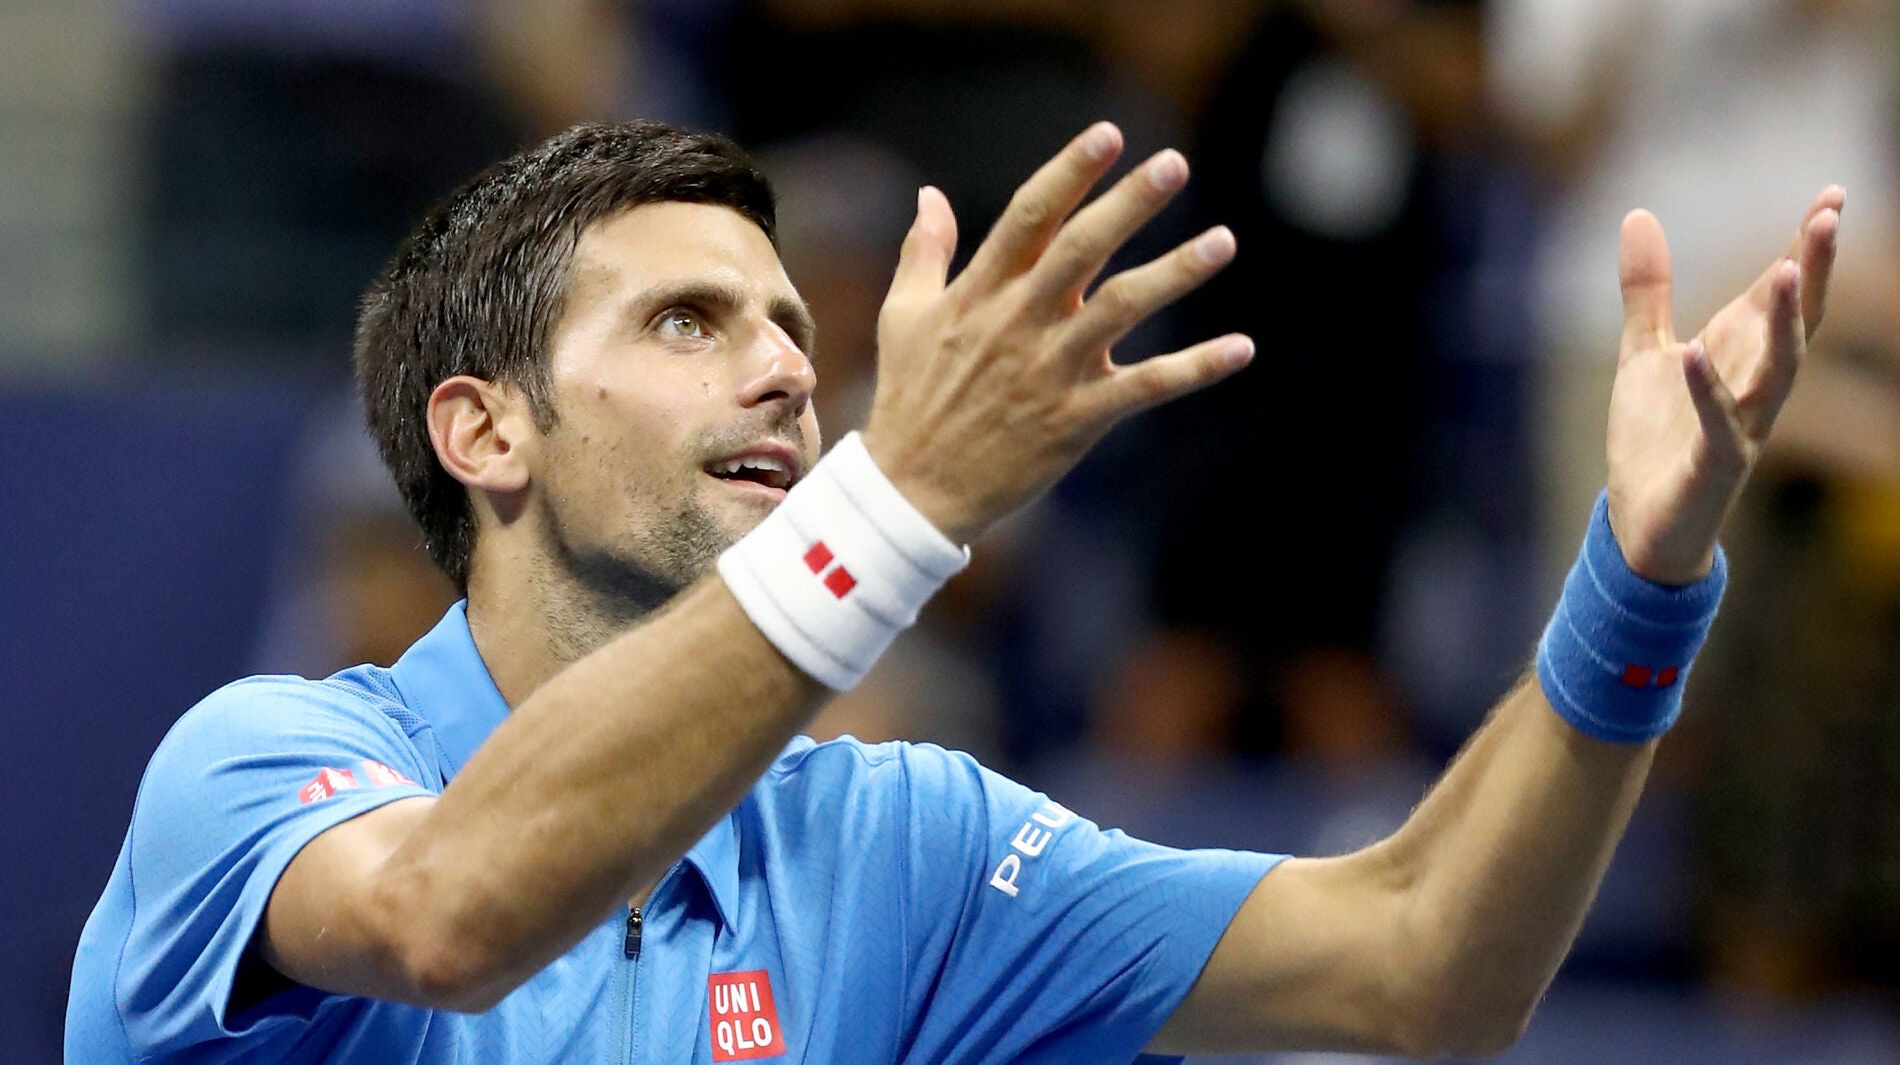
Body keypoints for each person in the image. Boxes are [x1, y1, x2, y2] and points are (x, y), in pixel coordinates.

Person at [65, 119, 1841, 1063]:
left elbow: (1423, 963)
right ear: (486, 430)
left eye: (787, 329)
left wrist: (1642, 571)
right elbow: (457, 912)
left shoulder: (894, 844)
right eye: (687, 322)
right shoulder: (256, 767)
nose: (782, 370)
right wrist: (897, 496)